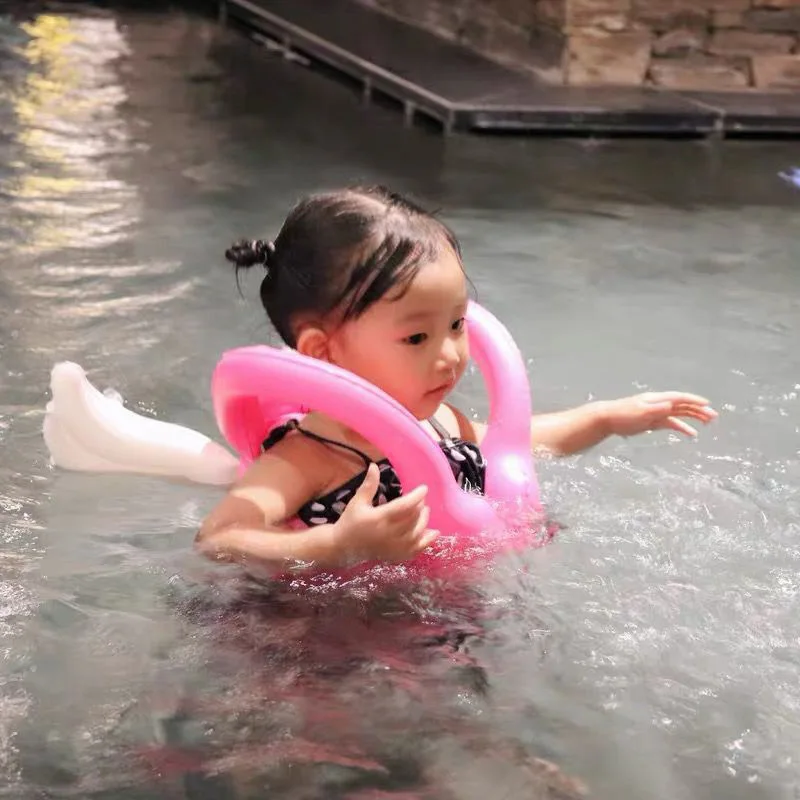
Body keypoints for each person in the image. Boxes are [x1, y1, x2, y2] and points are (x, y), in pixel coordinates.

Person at [196, 186, 716, 568]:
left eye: (457, 324)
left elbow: (520, 445)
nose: (449, 356)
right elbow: (219, 538)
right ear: (323, 352)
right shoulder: (307, 459)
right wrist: (333, 546)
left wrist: (606, 418)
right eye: (416, 338)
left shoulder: (439, 422)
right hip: (329, 640)